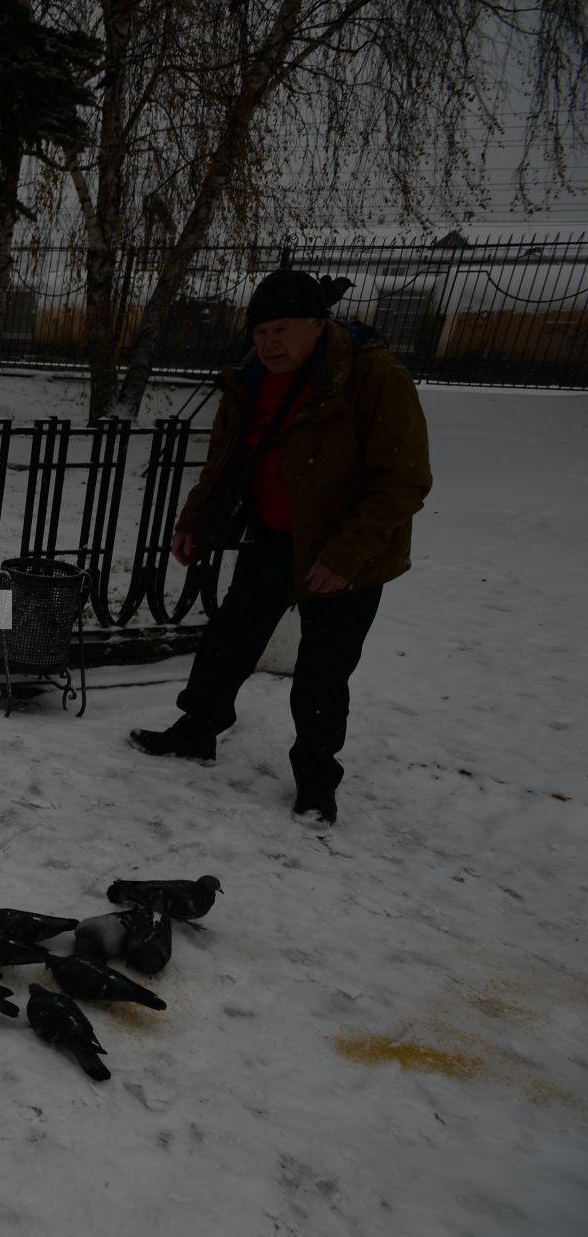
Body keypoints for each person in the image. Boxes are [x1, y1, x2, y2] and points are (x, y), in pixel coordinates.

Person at [128, 269, 433, 826]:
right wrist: (196, 519)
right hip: (273, 539)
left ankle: (316, 780)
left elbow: (402, 483)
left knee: (322, 670)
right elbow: (225, 459)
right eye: (261, 331)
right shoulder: (250, 377)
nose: (270, 344)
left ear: (320, 325)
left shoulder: (373, 377)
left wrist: (343, 558)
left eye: (283, 330)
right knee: (229, 641)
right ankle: (197, 731)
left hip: (347, 557)